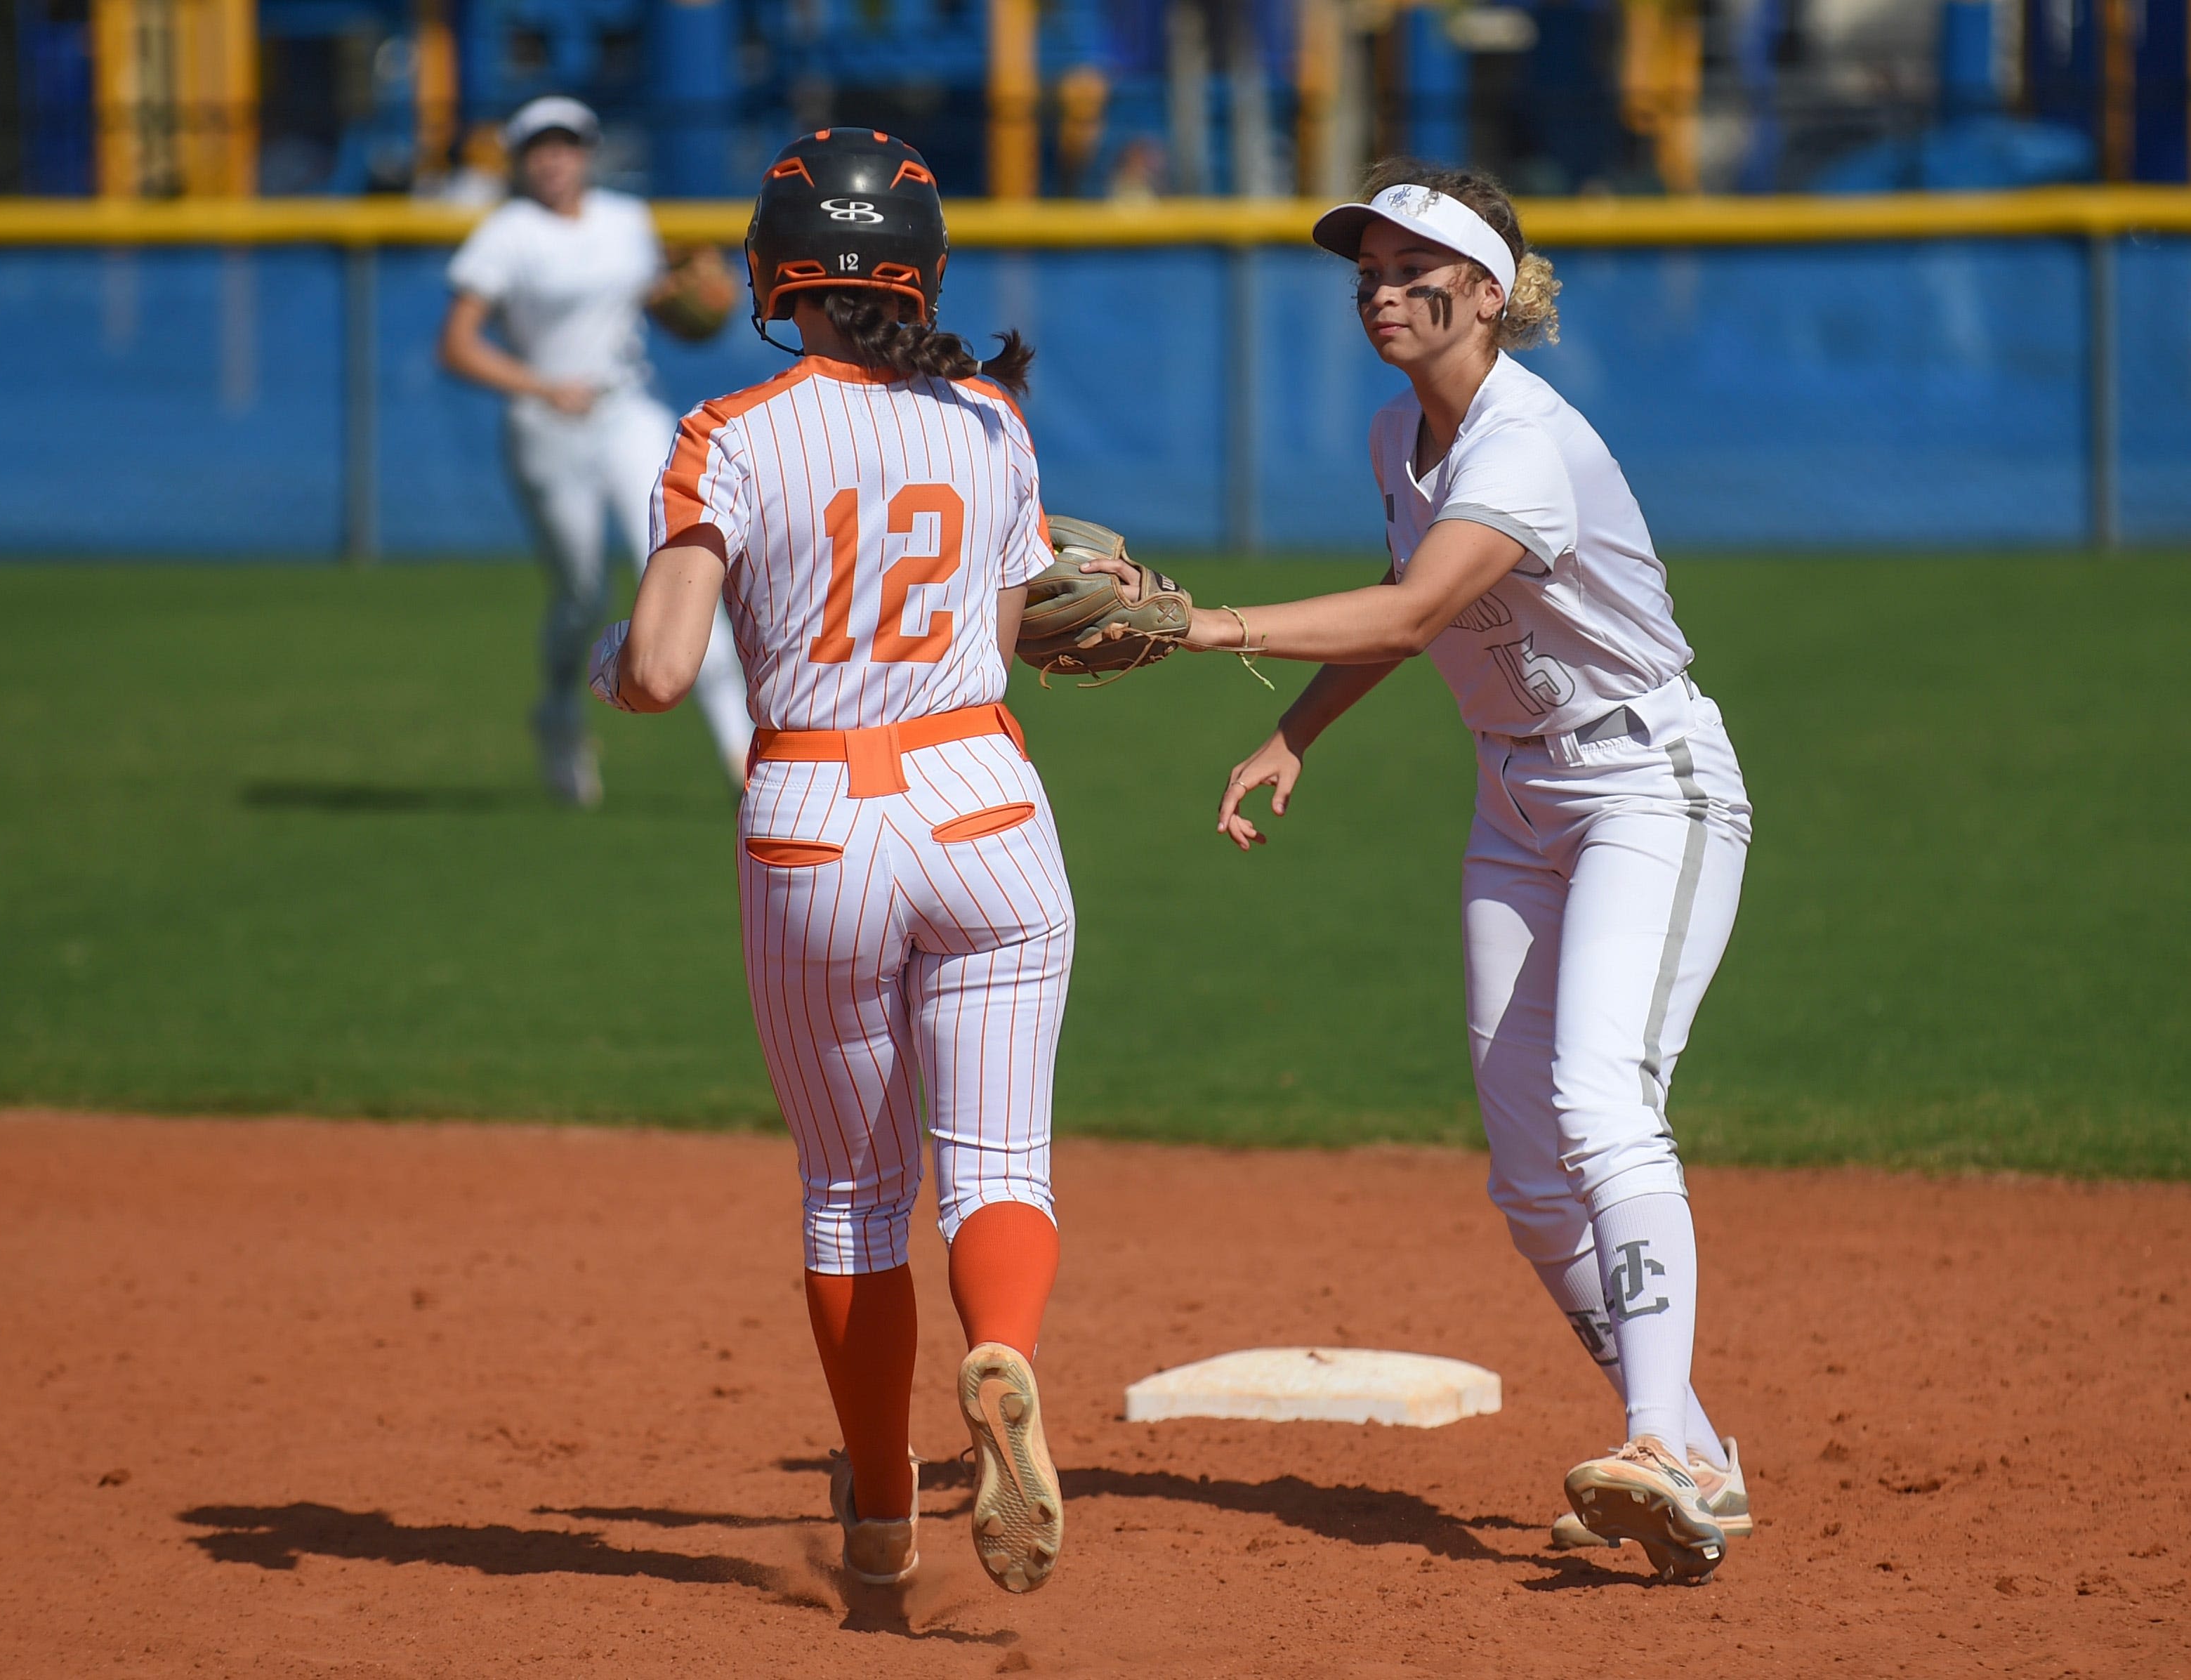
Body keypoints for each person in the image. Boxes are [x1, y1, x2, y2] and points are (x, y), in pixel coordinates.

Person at [1150, 162, 1756, 1585]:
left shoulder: (1524, 442)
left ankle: (1659, 1439)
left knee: (1602, 1099)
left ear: (1484, 293)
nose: (1377, 286)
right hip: (1515, 800)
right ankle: (1699, 1456)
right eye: (1362, 265)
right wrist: (1292, 729)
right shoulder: (1398, 437)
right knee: (1530, 1178)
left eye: (1411, 265)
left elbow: (1422, 600)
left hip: (1641, 789)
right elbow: (1415, 618)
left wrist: (1193, 622)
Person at [585, 129, 1072, 1596]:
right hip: (985, 801)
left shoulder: (726, 431)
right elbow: (1001, 643)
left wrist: (616, 656)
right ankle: (1005, 1350)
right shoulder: (991, 421)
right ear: (919, 273)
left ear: (774, 271)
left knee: (853, 1192)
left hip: (817, 821)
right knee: (994, 1162)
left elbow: (665, 671)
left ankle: (875, 1510)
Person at [438, 94, 753, 806]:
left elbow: (648, 304)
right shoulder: (507, 233)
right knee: (581, 596)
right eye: (540, 147)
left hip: (626, 412)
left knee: (682, 568)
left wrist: (684, 297)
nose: (555, 159)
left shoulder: (626, 220)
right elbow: (456, 345)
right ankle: (557, 716)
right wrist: (542, 386)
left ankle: (740, 752)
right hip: (546, 426)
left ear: (586, 152)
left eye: (567, 145)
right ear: (522, 160)